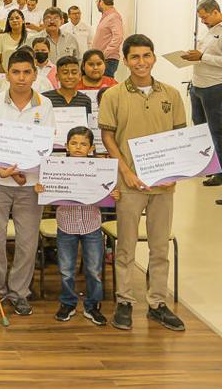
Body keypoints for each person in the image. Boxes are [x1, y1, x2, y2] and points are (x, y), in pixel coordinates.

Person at [99, 34, 187, 332]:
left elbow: (179, 138)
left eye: (146, 55)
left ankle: (157, 303)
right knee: (125, 247)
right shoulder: (113, 95)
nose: (141, 62)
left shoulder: (171, 94)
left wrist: (174, 172)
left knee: (159, 247)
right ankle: (124, 301)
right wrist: (125, 172)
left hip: (164, 184)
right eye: (134, 57)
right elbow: (108, 136)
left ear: (154, 57)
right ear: (125, 60)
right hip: (129, 183)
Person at [0, 49, 56, 317]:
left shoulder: (45, 105)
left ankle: (19, 293)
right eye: (16, 72)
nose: (21, 78)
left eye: (26, 72)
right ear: (7, 75)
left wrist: (23, 173)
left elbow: (44, 144)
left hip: (30, 184)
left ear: (35, 75)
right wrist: (10, 172)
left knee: (27, 242)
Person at [34, 126, 115, 325]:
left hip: (92, 226)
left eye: (83, 144)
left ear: (91, 148)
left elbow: (110, 192)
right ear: (66, 146)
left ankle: (92, 306)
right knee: (66, 270)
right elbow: (47, 192)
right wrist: (41, 189)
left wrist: (114, 193)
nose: (78, 147)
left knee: (94, 270)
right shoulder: (55, 167)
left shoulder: (100, 169)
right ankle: (68, 303)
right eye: (74, 143)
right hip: (66, 226)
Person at [181, 0, 222, 188]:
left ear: (215, 12)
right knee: (201, 130)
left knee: (216, 130)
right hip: (197, 85)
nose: (203, 21)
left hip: (214, 87)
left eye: (205, 17)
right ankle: (209, 165)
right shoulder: (209, 31)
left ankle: (220, 173)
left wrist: (202, 56)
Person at [92, 0, 124, 77]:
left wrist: (104, 54)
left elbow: (118, 37)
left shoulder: (114, 16)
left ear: (101, 1)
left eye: (97, 1)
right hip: (102, 59)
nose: (96, 4)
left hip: (107, 60)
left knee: (105, 85)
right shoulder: (107, 16)